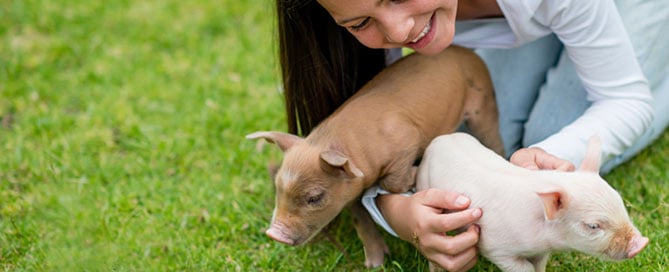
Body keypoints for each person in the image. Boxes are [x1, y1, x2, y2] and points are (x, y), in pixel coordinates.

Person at [274, 0, 669, 270]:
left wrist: (543, 163)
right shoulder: (370, 17)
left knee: (545, 136)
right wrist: (399, 212)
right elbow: (370, 149)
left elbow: (624, 100)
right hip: (535, 16)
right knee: (493, 142)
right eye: (360, 22)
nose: (399, 29)